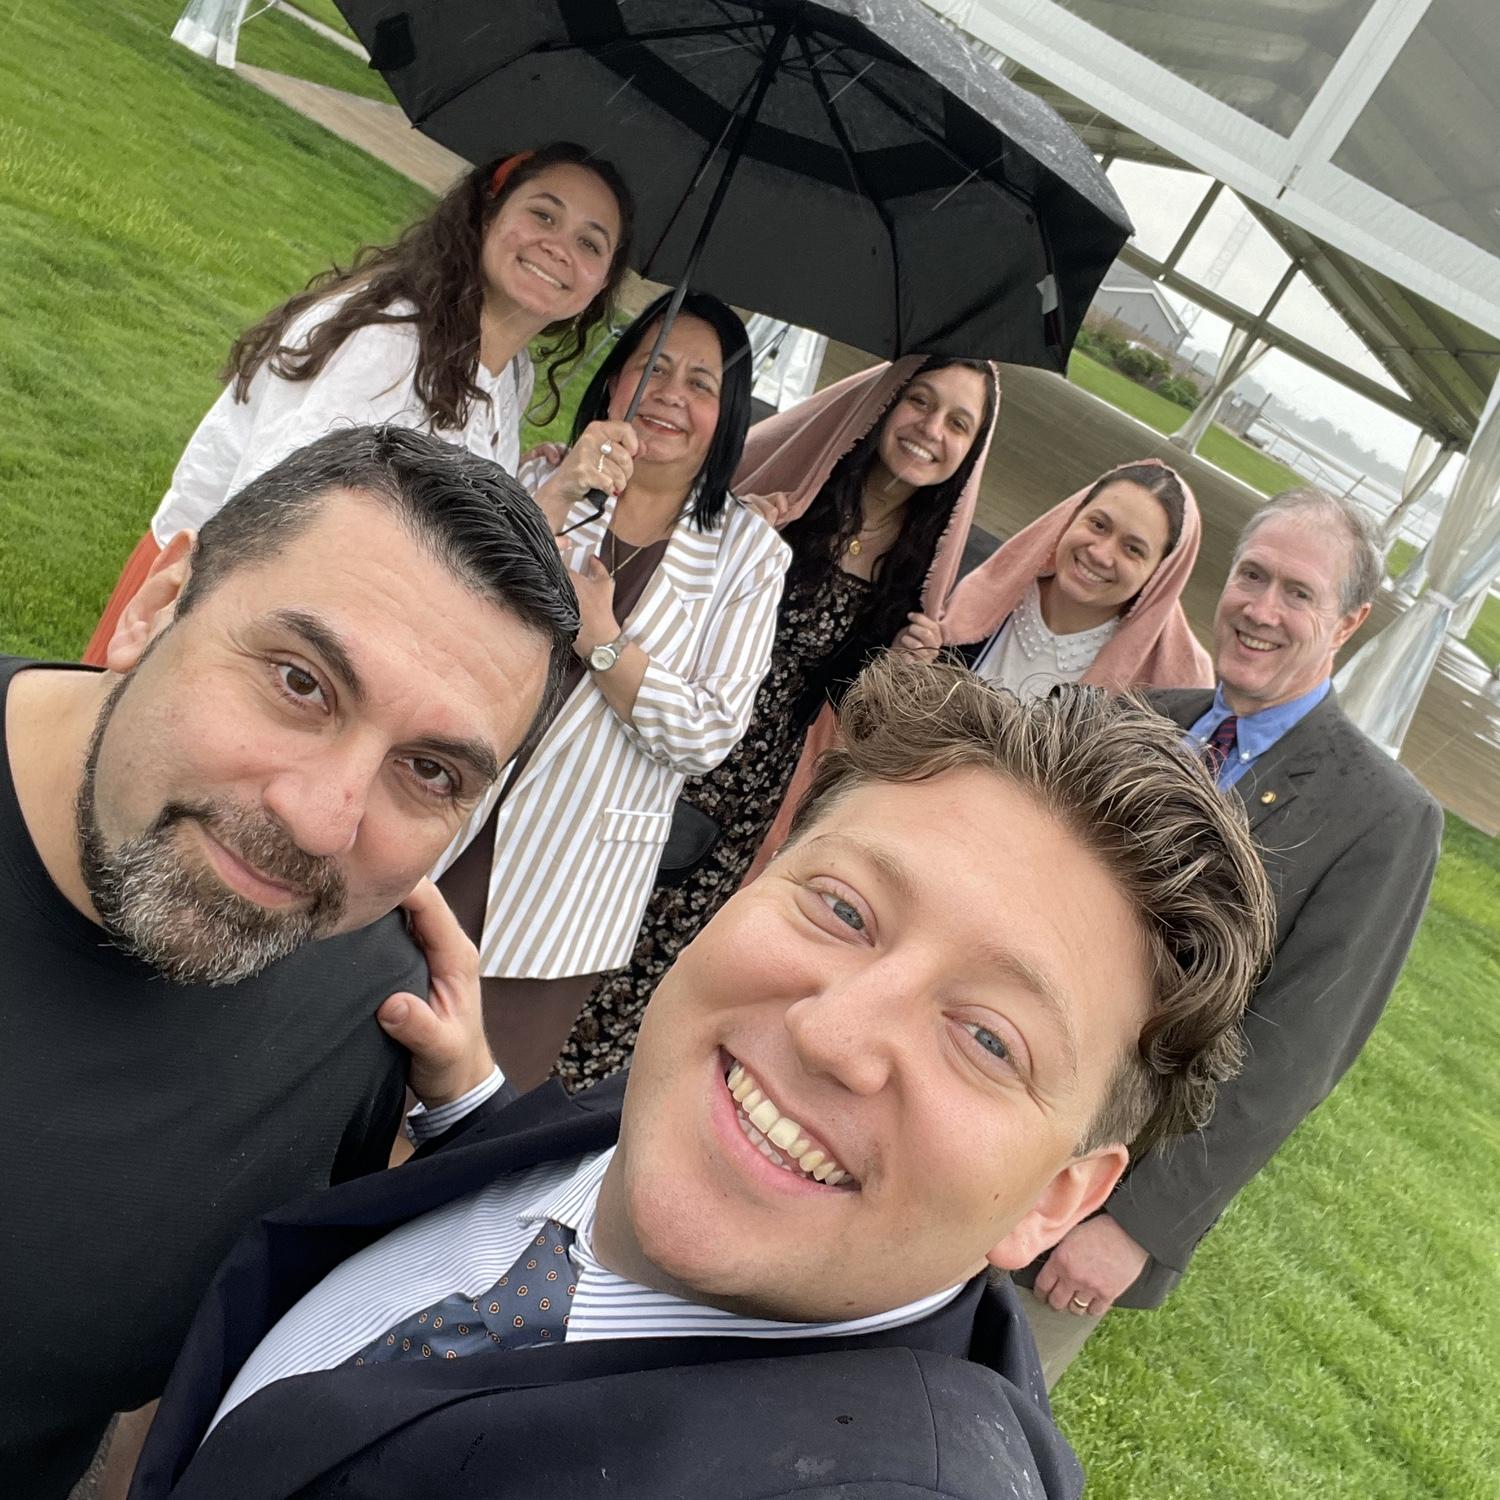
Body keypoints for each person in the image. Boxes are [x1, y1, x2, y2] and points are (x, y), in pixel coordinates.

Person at [127, 655, 1275, 1500]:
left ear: (1058, 1200)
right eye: (844, 911)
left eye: (986, 1039)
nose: (831, 1033)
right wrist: (473, 1113)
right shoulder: (701, 1104)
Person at [0, 425, 579, 1499]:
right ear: (154, 606)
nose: (322, 821)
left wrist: (469, 1117)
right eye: (300, 682)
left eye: (430, 771)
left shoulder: (372, 1013)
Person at [1021, 487, 1445, 1387]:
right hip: (984, 1113)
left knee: (967, 1414)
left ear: (1349, 624)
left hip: (1091, 1191)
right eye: (1253, 576)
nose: (1261, 609)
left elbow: (1292, 1057)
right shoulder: (1134, 719)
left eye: (1299, 593)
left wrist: (1136, 1226)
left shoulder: (1382, 818)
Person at [556, 355, 997, 1091]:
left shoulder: (917, 572)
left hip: (749, 793)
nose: (931, 429)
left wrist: (900, 668)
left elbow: (853, 717)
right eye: (920, 401)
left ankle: (566, 1108)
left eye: (958, 422)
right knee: (577, 918)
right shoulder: (793, 503)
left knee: (656, 962)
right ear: (883, 404)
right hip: (663, 734)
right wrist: (736, 537)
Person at [82, 143, 633, 664]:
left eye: (590, 243)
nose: (559, 247)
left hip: (321, 636)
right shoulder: (391, 342)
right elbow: (274, 517)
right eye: (543, 215)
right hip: (211, 601)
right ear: (488, 216)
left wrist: (545, 491)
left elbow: (439, 528)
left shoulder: (511, 375)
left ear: (601, 283)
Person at [433, 291, 789, 1092]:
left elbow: (707, 730)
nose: (670, 394)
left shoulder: (750, 556)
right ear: (615, 380)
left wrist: (603, 641)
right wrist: (558, 492)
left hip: (568, 888)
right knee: (345, 1047)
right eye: (653, 367)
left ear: (727, 414)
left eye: (701, 383)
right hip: (445, 822)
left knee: (460, 1106)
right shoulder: (544, 477)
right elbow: (452, 606)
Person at [927, 459, 1212, 694]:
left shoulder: (1171, 686)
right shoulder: (979, 599)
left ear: (1161, 574)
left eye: (1133, 549)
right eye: (1098, 524)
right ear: (1072, 516)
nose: (1100, 554)